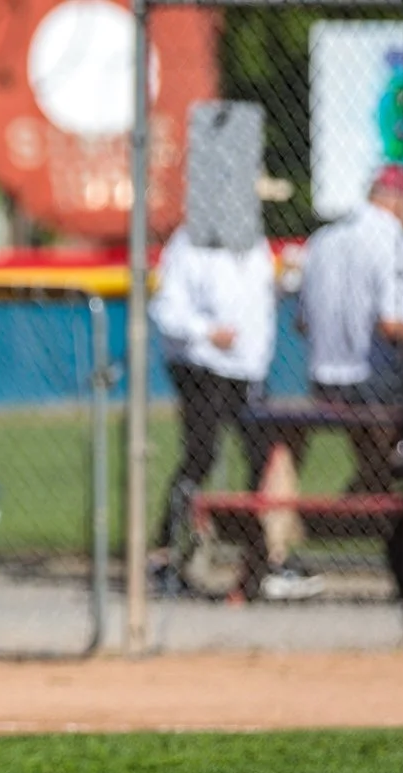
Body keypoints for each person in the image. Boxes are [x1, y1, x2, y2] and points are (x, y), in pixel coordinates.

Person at [148, 225, 322, 601]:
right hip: (202, 367)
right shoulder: (189, 240)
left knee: (264, 457)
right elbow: (166, 309)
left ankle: (264, 560)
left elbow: (256, 299)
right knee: (201, 457)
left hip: (247, 370)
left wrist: (287, 280)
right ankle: (165, 554)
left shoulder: (254, 241)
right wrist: (207, 331)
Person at [297, 164, 403, 495]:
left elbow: (302, 323)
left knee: (377, 453)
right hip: (372, 384)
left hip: (323, 380)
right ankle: (392, 469)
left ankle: (371, 486)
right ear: (397, 200)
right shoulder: (393, 240)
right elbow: (392, 325)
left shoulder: (322, 239)